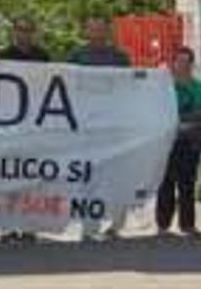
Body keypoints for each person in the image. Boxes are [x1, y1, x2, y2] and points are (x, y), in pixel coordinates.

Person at [68, 16, 131, 242]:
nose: (97, 33)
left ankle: (116, 225)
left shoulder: (120, 58)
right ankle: (89, 226)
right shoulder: (76, 57)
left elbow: (130, 87)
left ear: (107, 31)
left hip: (113, 126)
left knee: (115, 177)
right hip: (88, 126)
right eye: (92, 29)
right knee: (89, 178)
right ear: (86, 31)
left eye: (101, 29)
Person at [0, 16, 49, 245]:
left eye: (28, 29)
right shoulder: (3, 56)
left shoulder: (43, 57)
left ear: (34, 32)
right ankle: (8, 226)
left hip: (34, 125)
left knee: (31, 178)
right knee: (8, 177)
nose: (24, 33)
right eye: (20, 29)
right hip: (9, 125)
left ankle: (30, 226)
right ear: (14, 32)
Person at [156, 47, 201, 237]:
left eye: (187, 62)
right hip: (167, 144)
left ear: (192, 65)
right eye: (179, 61)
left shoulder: (199, 87)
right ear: (174, 63)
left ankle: (187, 225)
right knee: (166, 184)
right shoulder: (163, 87)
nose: (183, 65)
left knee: (187, 185)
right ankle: (163, 226)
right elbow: (157, 113)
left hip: (190, 143)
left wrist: (183, 124)